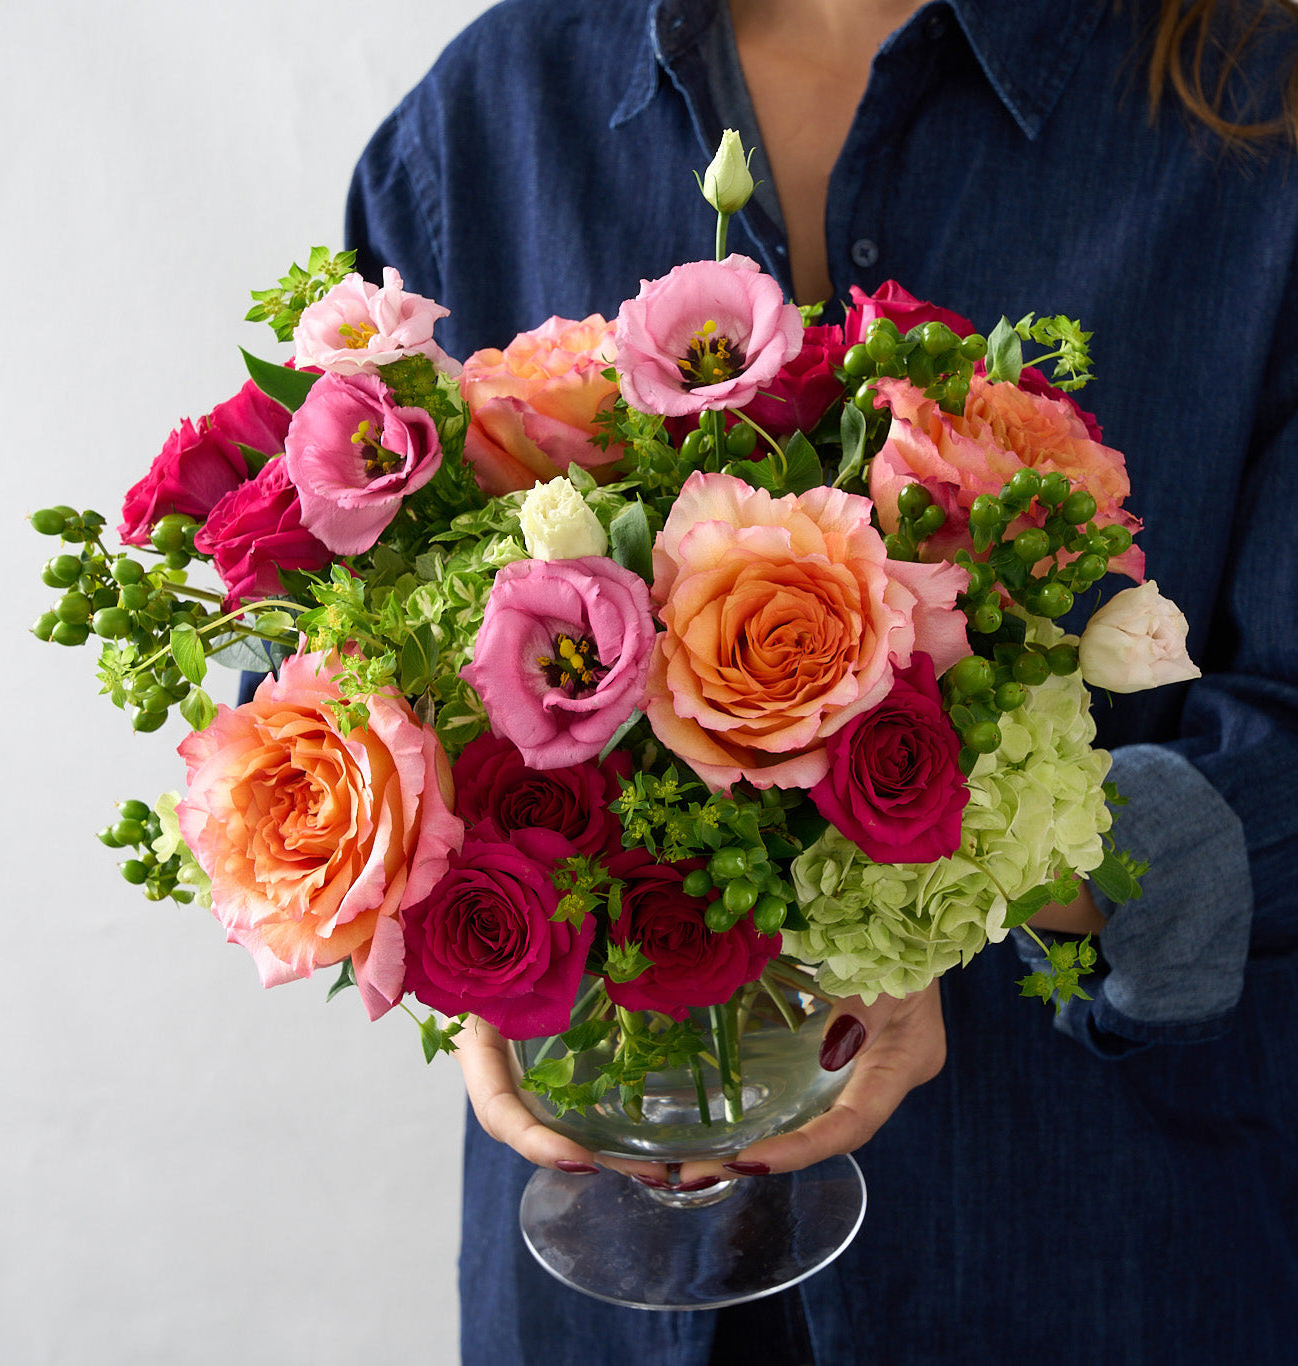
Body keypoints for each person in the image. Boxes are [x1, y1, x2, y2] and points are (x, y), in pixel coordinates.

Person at [346, 1, 1298, 1361]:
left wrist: (967, 884)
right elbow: (345, 629)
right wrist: (449, 916)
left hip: (1096, 1248)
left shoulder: (1249, 98)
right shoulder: (492, 109)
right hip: (604, 1265)